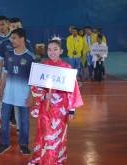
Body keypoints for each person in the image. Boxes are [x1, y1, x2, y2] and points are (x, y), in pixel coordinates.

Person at [28, 37, 83, 165]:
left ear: (61, 51)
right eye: (49, 49)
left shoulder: (67, 68)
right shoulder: (43, 67)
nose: (52, 52)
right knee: (45, 133)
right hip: (45, 107)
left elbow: (72, 89)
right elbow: (35, 86)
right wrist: (43, 95)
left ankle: (55, 160)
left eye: (55, 49)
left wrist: (71, 110)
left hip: (60, 109)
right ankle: (41, 158)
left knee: (58, 135)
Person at [0, 28, 34, 155]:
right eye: (11, 38)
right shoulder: (9, 54)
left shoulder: (30, 57)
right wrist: (1, 88)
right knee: (4, 119)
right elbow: (6, 73)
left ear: (22, 39)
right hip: (8, 94)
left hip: (23, 95)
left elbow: (33, 80)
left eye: (14, 38)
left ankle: (24, 144)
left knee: (24, 121)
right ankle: (4, 143)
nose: (12, 40)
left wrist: (31, 96)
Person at [0, 17, 34, 131]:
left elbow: (31, 65)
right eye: (14, 26)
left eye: (18, 26)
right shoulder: (5, 43)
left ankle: (20, 127)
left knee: (19, 106)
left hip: (21, 79)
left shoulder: (27, 44)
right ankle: (4, 125)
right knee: (3, 102)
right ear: (10, 27)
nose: (15, 28)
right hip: (7, 76)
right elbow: (0, 61)